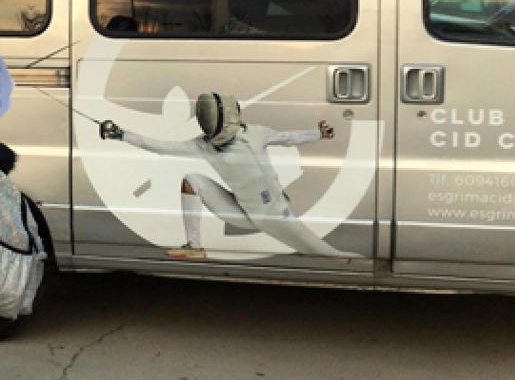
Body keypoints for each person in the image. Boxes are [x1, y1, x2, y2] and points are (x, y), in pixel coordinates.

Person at [99, 92, 357, 260]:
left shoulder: (256, 133)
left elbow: (287, 137)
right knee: (192, 179)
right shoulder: (204, 144)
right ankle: (195, 246)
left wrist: (318, 134)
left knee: (330, 254)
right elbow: (160, 146)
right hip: (241, 212)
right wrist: (121, 134)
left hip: (276, 214)